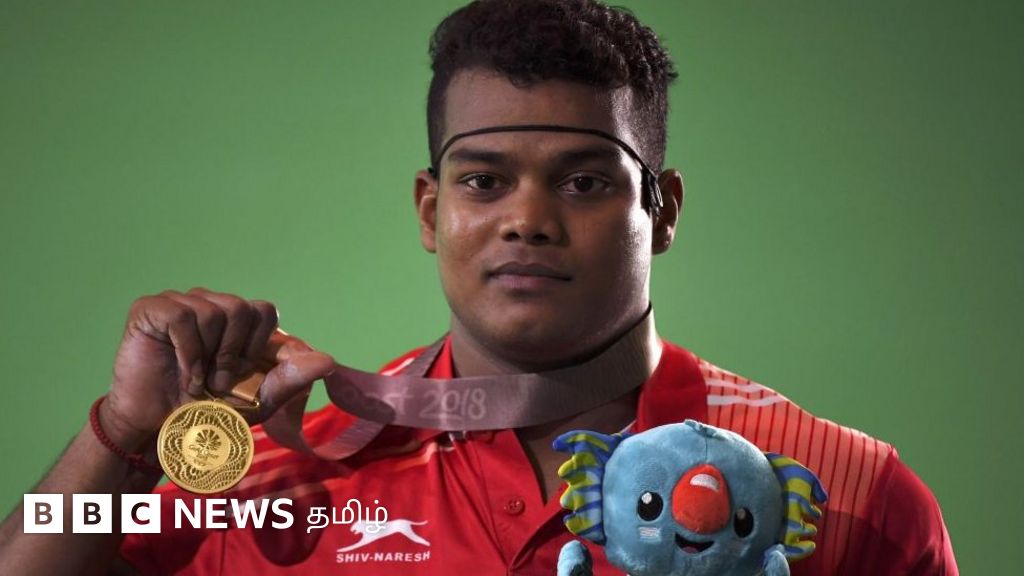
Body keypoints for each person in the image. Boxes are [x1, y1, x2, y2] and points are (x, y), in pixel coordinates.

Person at [0, 0, 957, 574]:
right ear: (431, 210)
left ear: (662, 209)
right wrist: (121, 435)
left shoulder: (843, 492)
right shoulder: (280, 487)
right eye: (484, 180)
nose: (527, 219)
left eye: (584, 182)